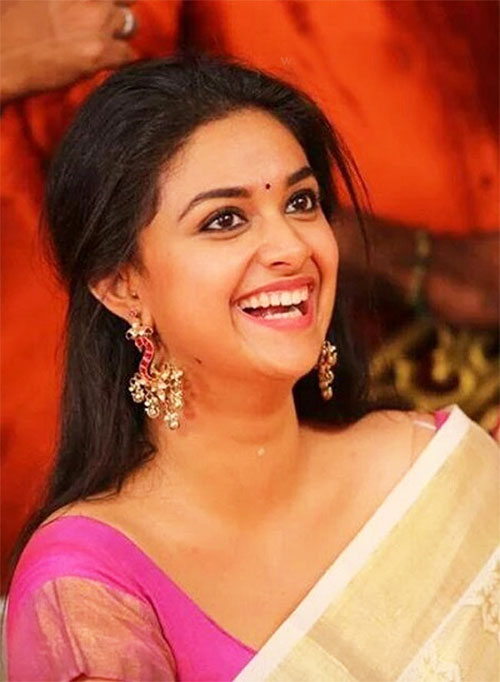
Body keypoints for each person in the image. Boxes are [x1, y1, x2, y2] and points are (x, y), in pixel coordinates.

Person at [5, 55, 498, 682]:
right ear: (123, 286)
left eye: (301, 202)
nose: (292, 247)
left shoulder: (430, 465)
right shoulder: (93, 587)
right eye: (224, 220)